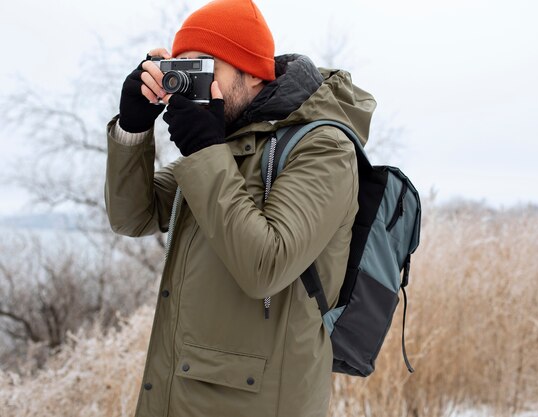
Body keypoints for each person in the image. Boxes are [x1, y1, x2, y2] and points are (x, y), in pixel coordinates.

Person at [105, 0, 375, 415]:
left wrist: (204, 148)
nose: (190, 85)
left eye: (204, 68)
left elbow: (265, 266)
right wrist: (133, 126)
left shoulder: (323, 148)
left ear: (251, 72)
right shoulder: (224, 146)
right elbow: (132, 216)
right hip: (178, 397)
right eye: (183, 68)